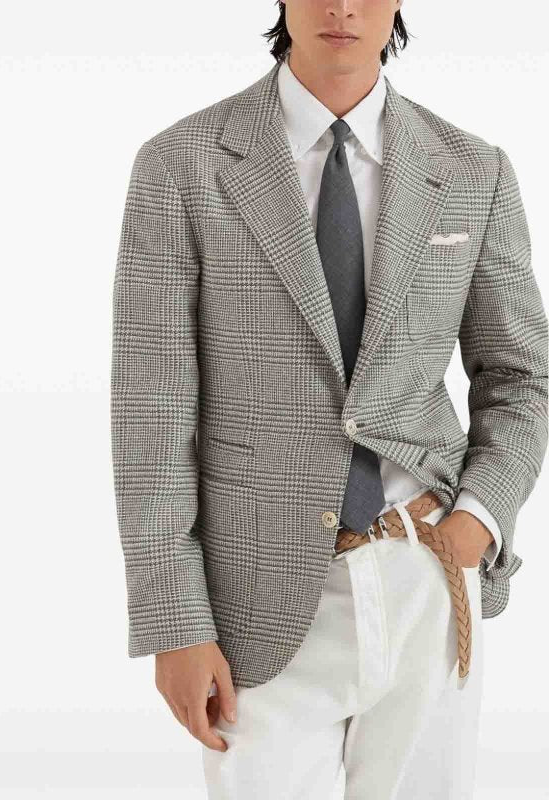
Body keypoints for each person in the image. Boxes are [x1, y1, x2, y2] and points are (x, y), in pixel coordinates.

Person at [110, 1, 548, 797]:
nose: (342, 7)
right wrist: (174, 620)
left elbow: (521, 377)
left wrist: (477, 521)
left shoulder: (471, 169)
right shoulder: (182, 165)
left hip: (427, 579)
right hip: (254, 601)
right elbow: (152, 410)